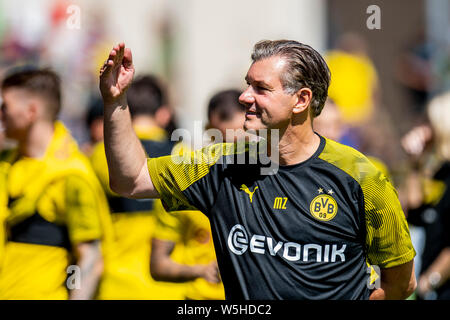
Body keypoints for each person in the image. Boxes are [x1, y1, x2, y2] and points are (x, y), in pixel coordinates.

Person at [99, 40, 416, 300]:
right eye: (247, 85)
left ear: (301, 100)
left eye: (261, 88)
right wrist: (115, 101)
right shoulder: (221, 165)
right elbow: (131, 179)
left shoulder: (362, 178)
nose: (244, 97)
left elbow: (401, 283)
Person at [0, 68, 113, 299]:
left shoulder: (71, 174)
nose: (1, 115)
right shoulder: (7, 166)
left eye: (5, 107)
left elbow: (91, 260)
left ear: (31, 111)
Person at [91, 75, 186, 299]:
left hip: (116, 284)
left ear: (126, 112)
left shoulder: (100, 155)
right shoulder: (184, 155)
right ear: (164, 114)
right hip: (171, 286)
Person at [150, 89, 244, 300]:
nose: (235, 151)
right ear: (210, 131)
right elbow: (157, 265)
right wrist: (201, 271)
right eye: (227, 142)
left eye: (245, 141)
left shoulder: (270, 180)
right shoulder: (186, 184)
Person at [401, 91, 450, 299]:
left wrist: (429, 281)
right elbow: (415, 214)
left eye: (428, 123)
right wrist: (414, 164)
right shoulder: (441, 172)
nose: (423, 130)